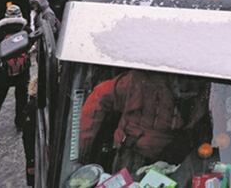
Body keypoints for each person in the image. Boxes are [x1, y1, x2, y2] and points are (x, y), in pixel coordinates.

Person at [79, 70, 211, 172]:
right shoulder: (141, 82)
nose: (188, 84)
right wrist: (79, 151)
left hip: (174, 162)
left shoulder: (207, 97)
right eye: (184, 78)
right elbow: (99, 99)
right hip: (132, 158)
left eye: (195, 80)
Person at [0, 4, 30, 133]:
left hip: (5, 70)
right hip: (23, 69)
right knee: (22, 97)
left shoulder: (1, 31)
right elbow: (29, 45)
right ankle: (21, 121)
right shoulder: (25, 29)